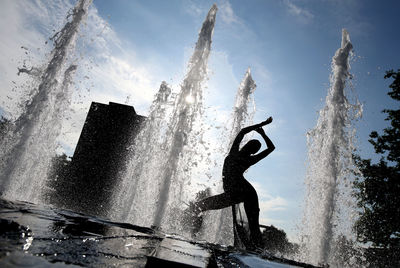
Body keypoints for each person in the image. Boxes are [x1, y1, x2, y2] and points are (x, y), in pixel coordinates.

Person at [191, 117, 275, 247]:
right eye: (250, 144)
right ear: (246, 145)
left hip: (244, 193)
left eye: (252, 147)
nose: (248, 147)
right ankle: (193, 234)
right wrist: (261, 127)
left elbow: (270, 148)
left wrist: (262, 129)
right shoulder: (236, 153)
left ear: (252, 151)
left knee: (253, 226)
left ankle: (258, 250)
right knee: (199, 206)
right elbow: (243, 132)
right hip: (235, 193)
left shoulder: (247, 159)